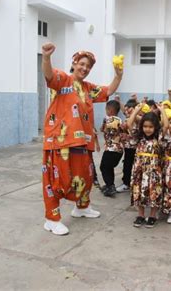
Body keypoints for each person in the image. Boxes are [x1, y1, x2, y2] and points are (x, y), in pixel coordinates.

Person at [40, 42, 122, 235]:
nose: (84, 68)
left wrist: (118, 75)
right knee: (58, 181)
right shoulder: (63, 80)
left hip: (83, 142)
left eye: (88, 66)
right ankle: (51, 219)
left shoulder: (88, 88)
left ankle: (82, 207)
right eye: (81, 64)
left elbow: (108, 90)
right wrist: (46, 57)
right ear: (74, 63)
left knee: (85, 177)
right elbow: (49, 74)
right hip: (61, 142)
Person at [128, 104, 165, 228]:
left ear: (155, 127)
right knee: (138, 190)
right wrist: (136, 110)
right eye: (145, 126)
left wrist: (162, 111)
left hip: (154, 170)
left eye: (150, 127)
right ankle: (141, 214)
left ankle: (153, 215)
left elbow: (164, 126)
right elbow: (129, 124)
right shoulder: (139, 137)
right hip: (139, 169)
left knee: (153, 191)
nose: (147, 129)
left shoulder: (158, 138)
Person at [99, 100, 124, 197]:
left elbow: (103, 130)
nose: (106, 111)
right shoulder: (120, 120)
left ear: (110, 110)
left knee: (104, 167)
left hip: (111, 149)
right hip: (119, 150)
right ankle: (110, 185)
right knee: (109, 167)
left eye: (106, 109)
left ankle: (110, 186)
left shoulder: (108, 119)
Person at [116, 99, 138, 193]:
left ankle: (128, 184)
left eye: (130, 109)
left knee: (130, 166)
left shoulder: (138, 119)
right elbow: (124, 110)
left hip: (135, 148)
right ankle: (127, 183)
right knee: (127, 165)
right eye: (126, 110)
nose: (127, 111)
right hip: (128, 147)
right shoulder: (129, 117)